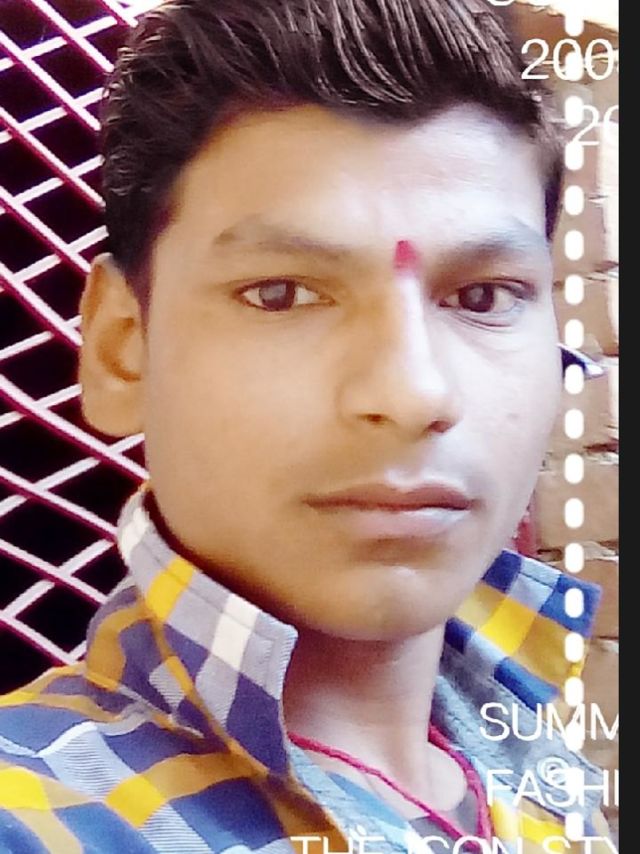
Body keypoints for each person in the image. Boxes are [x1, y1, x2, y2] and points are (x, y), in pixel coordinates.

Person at [0, 0, 613, 851]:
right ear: (121, 351)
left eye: (483, 296)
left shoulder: (540, 764)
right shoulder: (38, 815)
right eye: (281, 293)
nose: (414, 392)